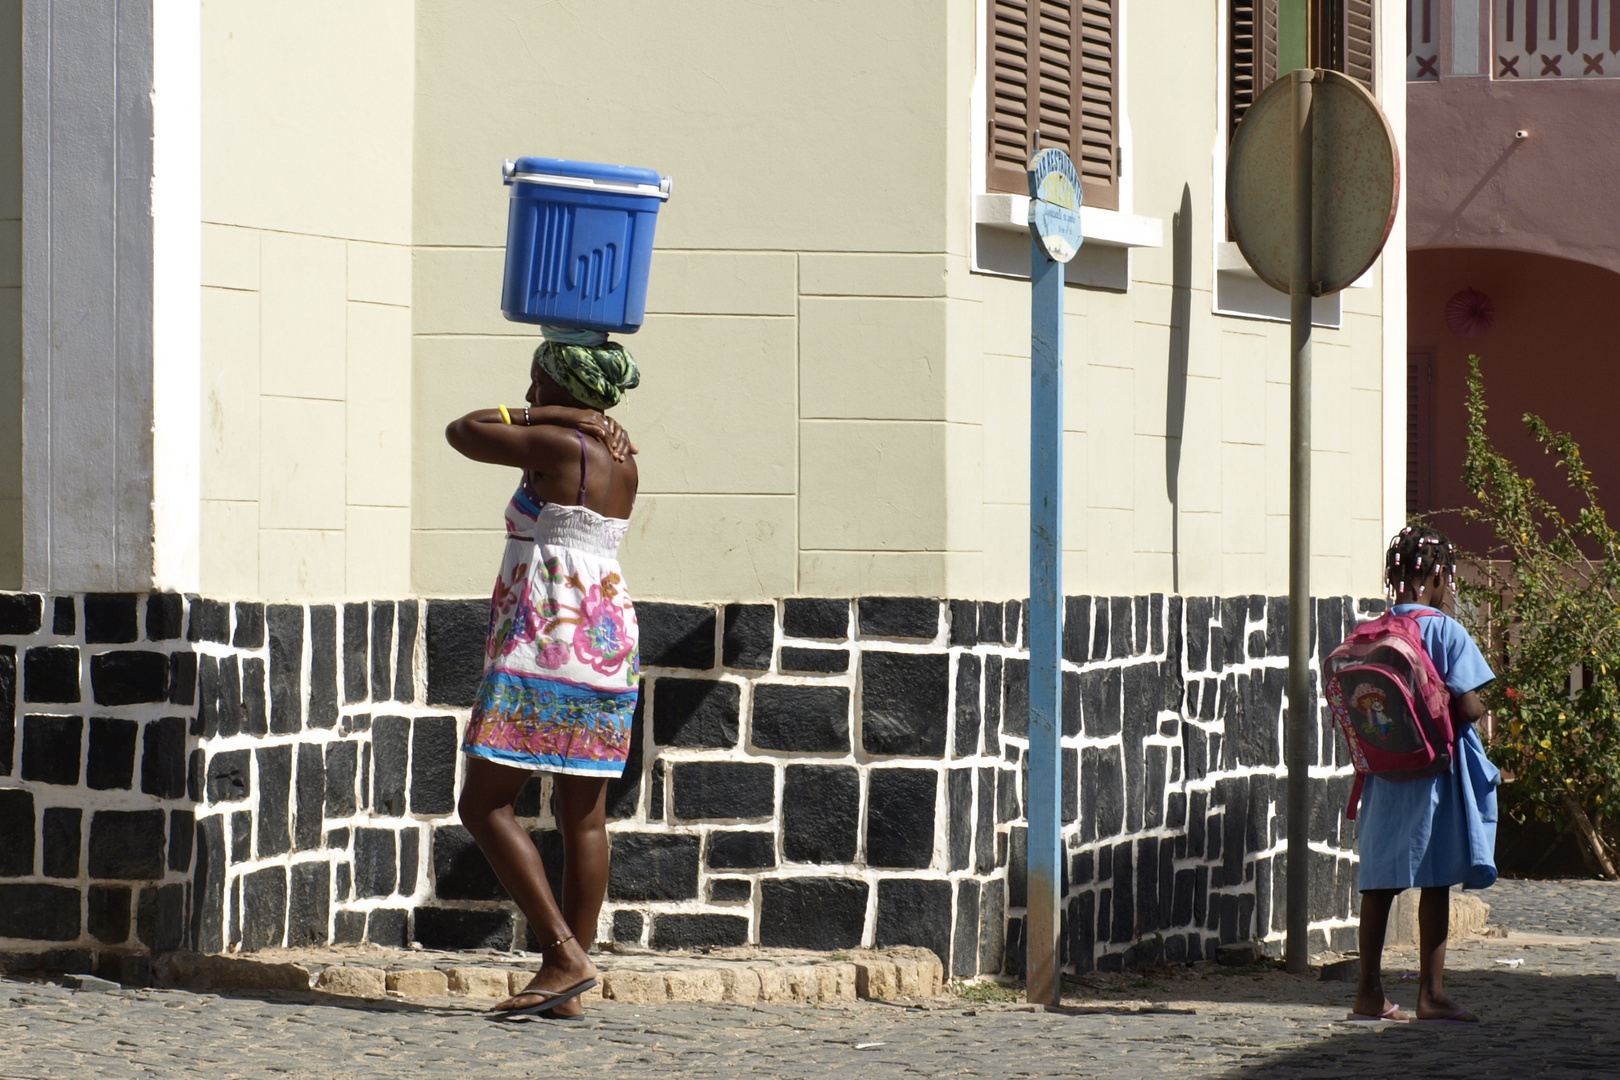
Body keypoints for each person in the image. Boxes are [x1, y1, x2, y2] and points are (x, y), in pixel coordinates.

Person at [444, 330, 642, 1019]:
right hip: (607, 644)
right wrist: (572, 413)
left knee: (483, 804)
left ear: (567, 392)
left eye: (539, 384)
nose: (528, 395)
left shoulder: (560, 444)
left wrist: (545, 418)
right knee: (581, 818)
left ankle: (561, 954)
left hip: (547, 641)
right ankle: (569, 985)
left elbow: (462, 431)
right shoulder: (622, 460)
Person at [1351, 525, 1500, 1024]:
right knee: (1435, 883)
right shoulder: (1446, 631)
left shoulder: (1373, 631)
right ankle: (1430, 995)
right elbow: (1469, 704)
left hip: (1385, 773)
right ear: (1438, 576)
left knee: (1378, 884)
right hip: (1435, 775)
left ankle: (1368, 993)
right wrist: (1482, 712)